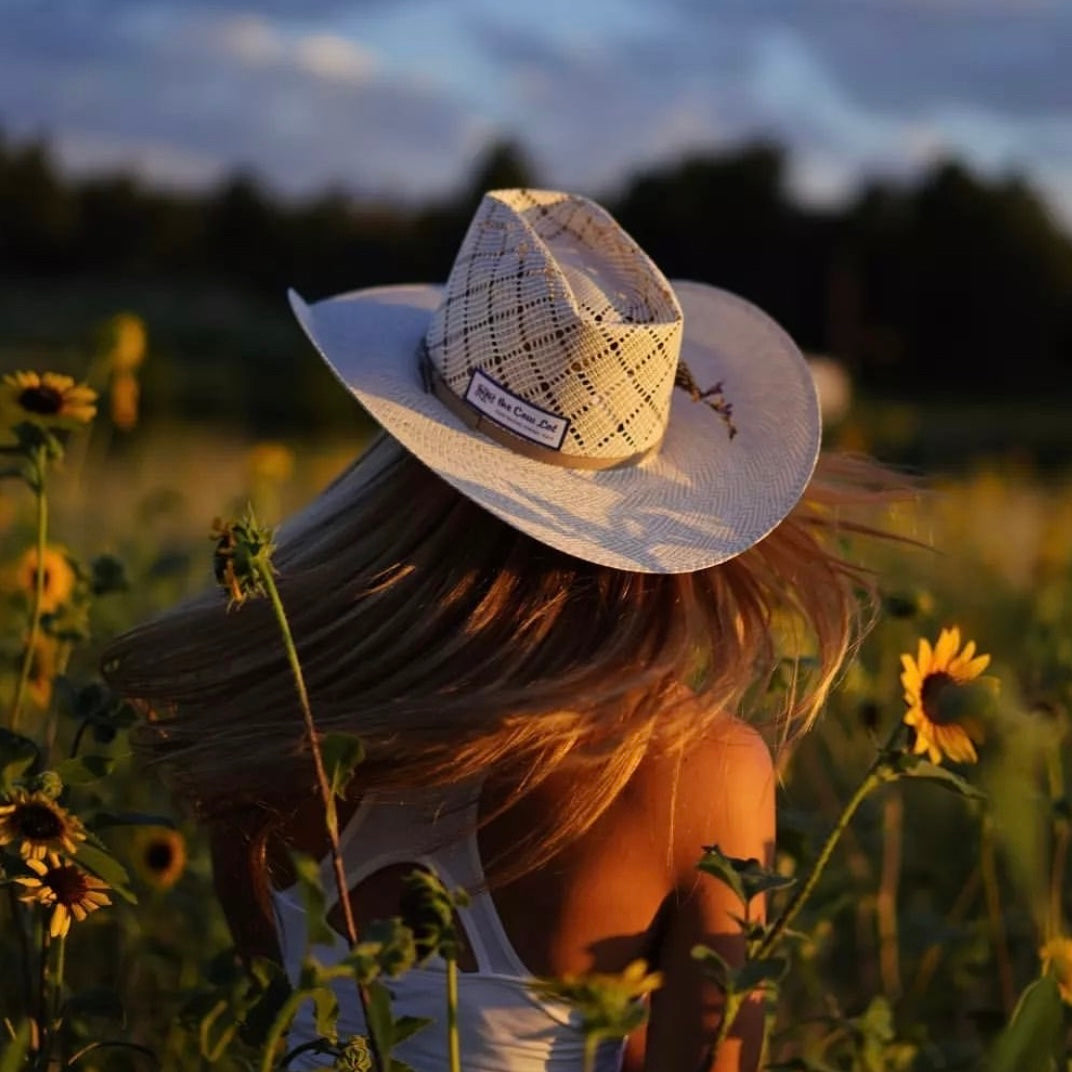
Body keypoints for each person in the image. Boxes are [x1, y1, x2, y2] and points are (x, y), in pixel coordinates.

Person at [103, 189, 892, 1071]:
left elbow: (288, 1006)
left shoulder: (275, 709)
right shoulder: (692, 774)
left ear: (407, 451)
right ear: (651, 497)